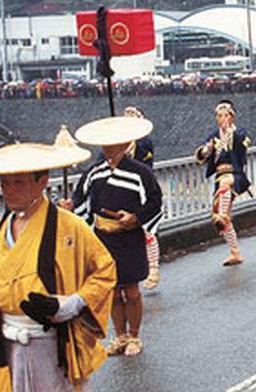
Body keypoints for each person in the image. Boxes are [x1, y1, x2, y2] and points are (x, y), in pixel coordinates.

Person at [0, 141, 116, 391]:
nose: (9, 191)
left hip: (49, 342)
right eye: (5, 183)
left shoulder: (70, 226)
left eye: (19, 183)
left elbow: (105, 270)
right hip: (6, 340)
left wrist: (71, 303)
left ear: (42, 181)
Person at [68, 115, 163, 358]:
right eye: (104, 144)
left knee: (131, 290)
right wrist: (70, 205)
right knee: (111, 290)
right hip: (103, 237)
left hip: (128, 236)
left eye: (112, 143)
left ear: (124, 144)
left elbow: (154, 201)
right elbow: (80, 198)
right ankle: (119, 335)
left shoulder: (140, 172)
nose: (107, 148)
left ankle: (134, 335)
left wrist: (135, 218)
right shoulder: (94, 172)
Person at [195, 99, 252, 266]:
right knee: (222, 218)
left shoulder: (240, 133)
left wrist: (230, 134)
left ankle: (222, 214)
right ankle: (235, 252)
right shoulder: (213, 136)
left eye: (225, 115)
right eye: (219, 116)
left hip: (235, 174)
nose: (221, 119)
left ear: (231, 116)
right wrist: (206, 151)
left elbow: (243, 147)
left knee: (226, 187)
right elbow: (203, 156)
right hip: (220, 176)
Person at [124, 106, 162, 290]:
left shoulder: (144, 144)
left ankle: (153, 269)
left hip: (142, 191)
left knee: (147, 230)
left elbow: (145, 168)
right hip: (122, 191)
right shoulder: (117, 144)